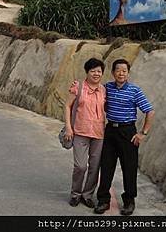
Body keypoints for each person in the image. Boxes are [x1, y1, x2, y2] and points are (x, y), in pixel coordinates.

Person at [93, 58, 155, 215]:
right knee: (106, 166)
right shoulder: (107, 88)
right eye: (118, 70)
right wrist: (77, 86)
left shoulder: (135, 90)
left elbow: (150, 111)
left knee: (129, 167)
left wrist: (142, 133)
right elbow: (92, 89)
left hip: (128, 132)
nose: (121, 73)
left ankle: (129, 201)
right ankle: (103, 200)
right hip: (110, 131)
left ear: (128, 73)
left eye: (124, 70)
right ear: (113, 72)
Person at [64, 58, 106, 209]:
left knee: (95, 167)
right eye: (93, 71)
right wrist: (69, 127)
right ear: (87, 72)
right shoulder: (78, 87)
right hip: (80, 132)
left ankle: (87, 195)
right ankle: (75, 194)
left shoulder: (104, 90)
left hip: (98, 134)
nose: (96, 74)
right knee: (81, 166)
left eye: (99, 71)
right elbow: (68, 106)